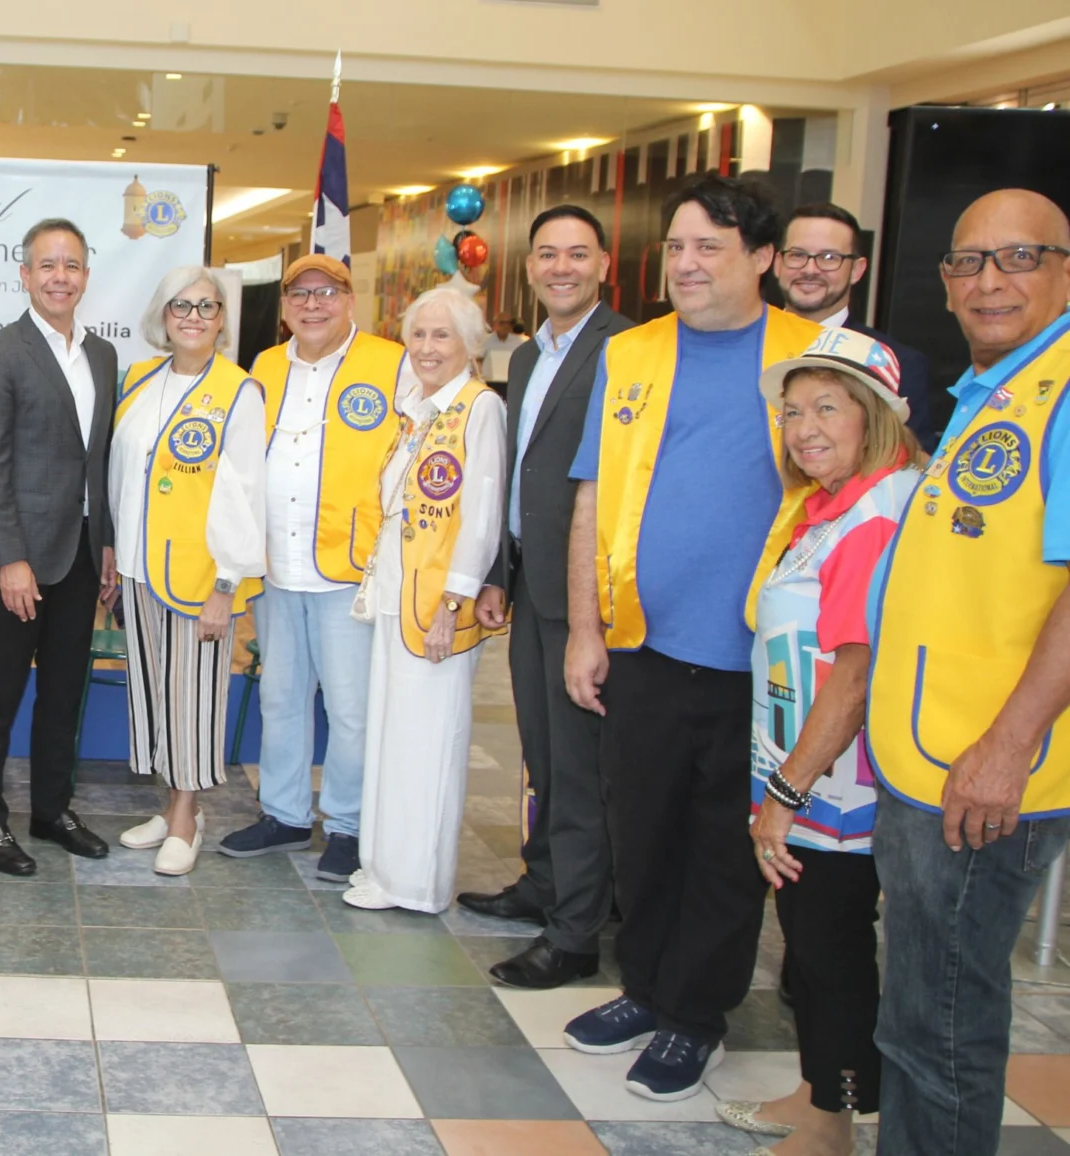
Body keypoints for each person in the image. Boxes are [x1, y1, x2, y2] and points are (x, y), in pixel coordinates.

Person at [560, 174, 822, 1101]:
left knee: (725, 841)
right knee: (646, 827)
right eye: (675, 247)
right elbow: (591, 492)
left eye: (708, 247)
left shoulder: (815, 354)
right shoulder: (631, 354)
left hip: (763, 656)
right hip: (643, 643)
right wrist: (584, 628)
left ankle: (695, 1015)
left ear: (761, 260)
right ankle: (646, 987)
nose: (686, 264)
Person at [865, 189, 1070, 1156]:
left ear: (1065, 269)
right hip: (929, 754)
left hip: (987, 775)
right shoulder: (993, 388)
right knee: (915, 1015)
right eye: (970, 262)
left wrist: (1008, 743)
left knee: (939, 1027)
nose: (991, 281)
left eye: (1020, 257)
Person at [713, 329, 922, 1156]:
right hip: (804, 775)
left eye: (825, 408)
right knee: (809, 942)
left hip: (839, 791)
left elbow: (855, 676)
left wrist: (785, 797)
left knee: (829, 948)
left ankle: (832, 1122)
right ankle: (815, 1093)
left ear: (874, 415)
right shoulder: (831, 507)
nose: (803, 428)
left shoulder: (877, 515)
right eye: (793, 411)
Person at [465, 206, 633, 989]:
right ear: (526, 267)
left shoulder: (627, 352)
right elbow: (515, 475)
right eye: (545, 255)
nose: (560, 267)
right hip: (531, 580)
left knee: (578, 763)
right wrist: (500, 569)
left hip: (585, 591)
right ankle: (545, 882)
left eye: (577, 254)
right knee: (539, 750)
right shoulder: (530, 356)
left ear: (603, 263)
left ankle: (575, 931)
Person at [217, 255, 407, 884]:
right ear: (285, 306)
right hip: (276, 563)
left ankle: (349, 826)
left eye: (328, 292)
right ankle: (286, 813)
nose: (313, 304)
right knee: (281, 695)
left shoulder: (391, 362)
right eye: (300, 293)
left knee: (351, 707)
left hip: (350, 568)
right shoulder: (267, 365)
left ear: (351, 300)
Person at [0, 218, 117, 877]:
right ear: (24, 275)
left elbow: (99, 460)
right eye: (47, 265)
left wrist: (105, 544)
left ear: (86, 275)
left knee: (63, 692)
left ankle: (53, 810)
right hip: (18, 559)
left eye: (72, 265)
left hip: (81, 554)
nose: (60, 276)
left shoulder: (104, 356)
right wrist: (11, 558)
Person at [343, 285, 506, 912]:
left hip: (435, 610)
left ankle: (419, 883)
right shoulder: (415, 411)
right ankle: (383, 867)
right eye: (418, 334)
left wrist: (453, 606)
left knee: (428, 743)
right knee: (390, 737)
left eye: (442, 336)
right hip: (394, 598)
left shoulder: (478, 409)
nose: (428, 347)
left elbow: (482, 519)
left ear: (470, 345)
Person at [109, 267, 267, 875]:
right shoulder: (141, 379)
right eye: (182, 306)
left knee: (193, 696)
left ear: (223, 319)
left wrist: (227, 586)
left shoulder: (238, 391)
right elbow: (125, 475)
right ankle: (172, 804)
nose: (194, 316)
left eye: (207, 306)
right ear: (164, 315)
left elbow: (246, 495)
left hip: (201, 578)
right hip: (139, 568)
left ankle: (186, 815)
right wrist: (112, 557)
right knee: (153, 694)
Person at [776, 203, 935, 450]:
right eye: (797, 255)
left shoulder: (897, 363)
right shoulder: (742, 350)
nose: (810, 269)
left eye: (830, 258)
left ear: (857, 270)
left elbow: (909, 466)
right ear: (778, 263)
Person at [481, 312, 527, 391]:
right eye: (502, 323)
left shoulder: (518, 343)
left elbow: (524, 362)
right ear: (495, 324)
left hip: (511, 384)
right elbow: (478, 360)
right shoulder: (485, 341)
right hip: (489, 384)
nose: (505, 326)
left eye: (508, 323)